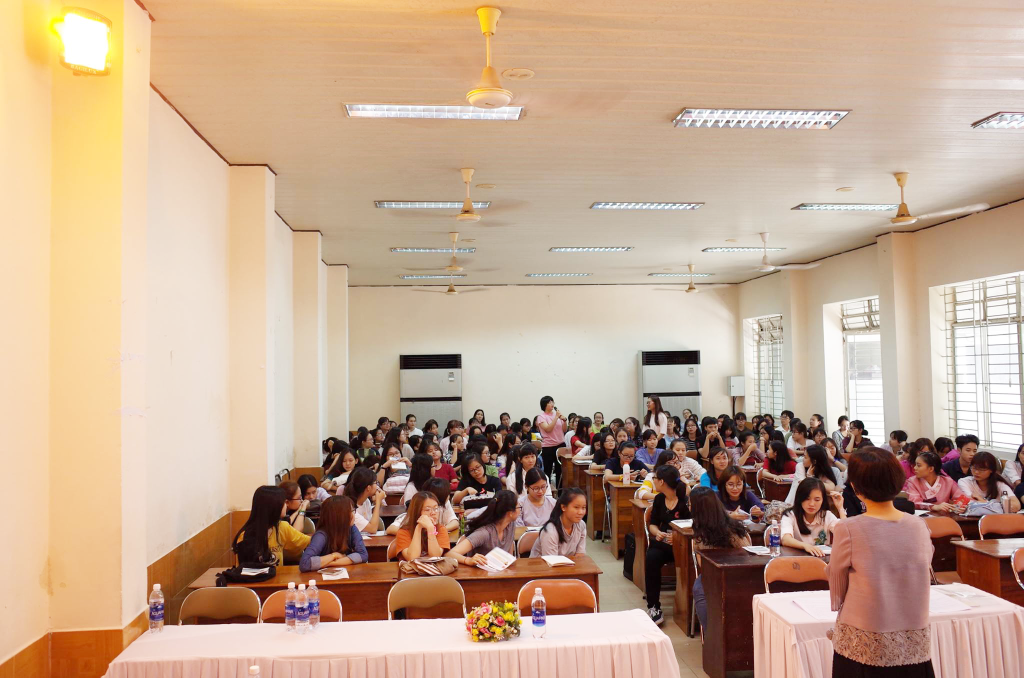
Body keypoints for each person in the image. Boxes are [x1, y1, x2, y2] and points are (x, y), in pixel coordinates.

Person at [826, 447, 936, 677]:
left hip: (865, 631)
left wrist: (839, 602)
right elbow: (924, 566)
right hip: (913, 629)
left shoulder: (848, 528)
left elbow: (836, 576)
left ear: (855, 487)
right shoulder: (919, 525)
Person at [689, 486, 750, 632]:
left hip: (736, 573)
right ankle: (712, 634)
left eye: (690, 504)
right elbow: (701, 563)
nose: (689, 507)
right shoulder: (698, 530)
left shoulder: (731, 528)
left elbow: (747, 553)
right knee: (699, 588)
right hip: (711, 573)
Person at [644, 465, 691, 625]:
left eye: (655, 478)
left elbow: (693, 526)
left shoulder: (685, 501)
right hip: (663, 544)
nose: (654, 480)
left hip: (683, 545)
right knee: (651, 557)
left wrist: (677, 537)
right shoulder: (659, 499)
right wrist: (657, 532)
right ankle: (653, 606)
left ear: (662, 481)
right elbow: (653, 524)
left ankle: (686, 605)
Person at [233, 486, 311, 566]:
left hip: (277, 574)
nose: (286, 505)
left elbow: (308, 541)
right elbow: (242, 569)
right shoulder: (244, 536)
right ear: (274, 507)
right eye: (284, 502)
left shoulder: (282, 527)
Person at [447, 490, 520, 565]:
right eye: (518, 507)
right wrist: (468, 560)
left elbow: (509, 551)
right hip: (480, 571)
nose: (520, 510)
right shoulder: (484, 533)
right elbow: (449, 554)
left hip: (500, 569)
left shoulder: (510, 524)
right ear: (510, 513)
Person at [299, 496, 368, 571]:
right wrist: (334, 556)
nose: (354, 514)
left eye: (353, 510)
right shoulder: (321, 535)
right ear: (339, 515)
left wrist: (330, 563)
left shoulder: (351, 528)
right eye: (351, 511)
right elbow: (304, 564)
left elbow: (363, 555)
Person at [780, 477, 846, 556]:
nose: (811, 504)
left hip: (822, 560)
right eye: (807, 499)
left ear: (823, 500)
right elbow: (786, 539)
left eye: (817, 500)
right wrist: (805, 546)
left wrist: (840, 508)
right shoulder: (790, 515)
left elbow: (845, 534)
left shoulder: (826, 516)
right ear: (800, 498)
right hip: (797, 560)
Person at [388, 477, 459, 535]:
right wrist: (419, 533)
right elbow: (391, 529)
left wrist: (438, 531)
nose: (449, 496)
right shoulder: (418, 506)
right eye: (427, 509)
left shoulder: (445, 503)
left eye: (435, 508)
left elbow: (455, 522)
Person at [394, 491, 451, 560]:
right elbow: (412, 558)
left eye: (436, 508)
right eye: (427, 510)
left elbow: (435, 556)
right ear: (416, 512)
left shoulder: (441, 529)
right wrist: (418, 528)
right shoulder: (403, 532)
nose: (433, 513)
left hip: (432, 566)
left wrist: (430, 529)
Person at [532, 488, 587, 558]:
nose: (581, 512)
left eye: (583, 507)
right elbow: (552, 561)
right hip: (542, 564)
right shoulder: (550, 531)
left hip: (567, 564)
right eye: (576, 507)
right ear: (563, 507)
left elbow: (580, 555)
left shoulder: (581, 525)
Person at [534, 395, 567, 487]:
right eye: (549, 402)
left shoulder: (557, 415)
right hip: (548, 446)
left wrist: (564, 421)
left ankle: (560, 492)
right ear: (544, 404)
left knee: (560, 470)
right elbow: (548, 429)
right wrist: (556, 417)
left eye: (552, 402)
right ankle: (547, 490)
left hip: (561, 445)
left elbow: (564, 430)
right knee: (548, 470)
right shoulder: (541, 417)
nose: (552, 404)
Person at [342, 467, 386, 533]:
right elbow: (372, 529)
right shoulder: (350, 508)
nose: (377, 487)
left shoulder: (366, 501)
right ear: (368, 488)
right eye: (376, 483)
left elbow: (371, 522)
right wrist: (378, 501)